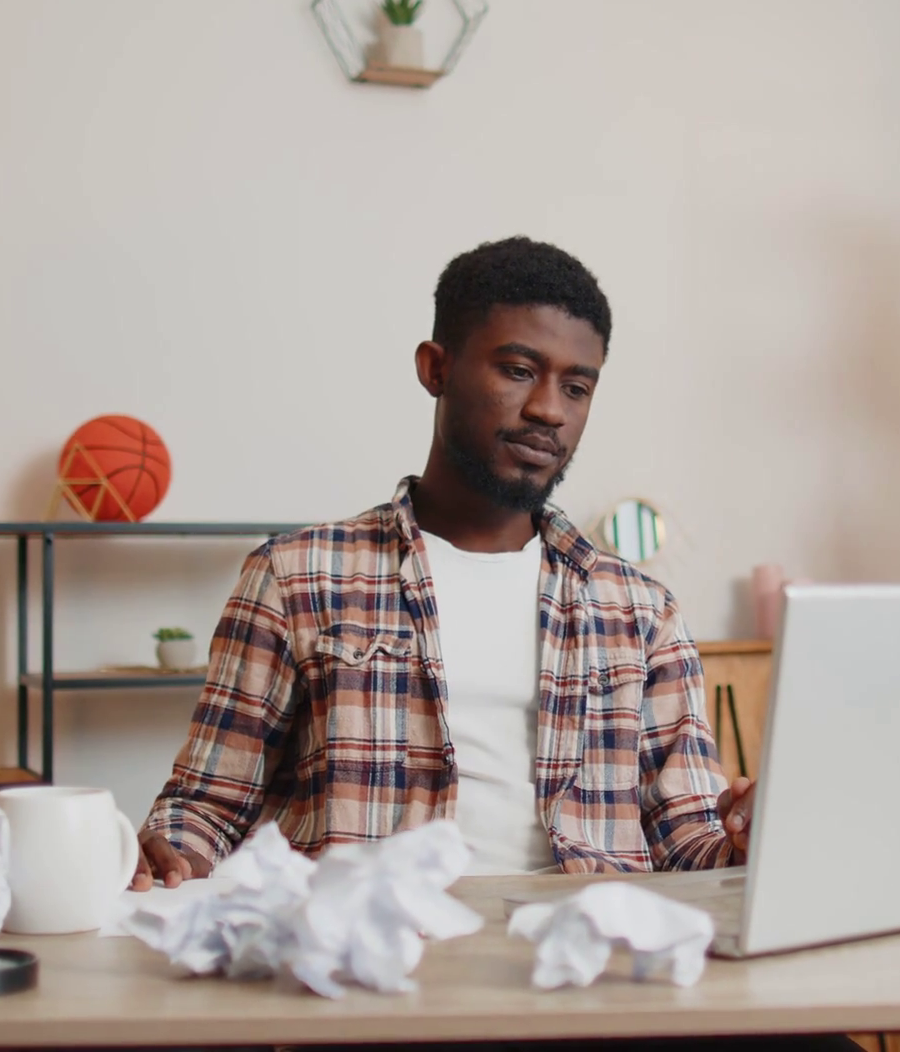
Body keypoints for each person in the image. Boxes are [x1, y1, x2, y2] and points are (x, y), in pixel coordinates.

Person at [131, 236, 757, 887]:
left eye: (576, 388)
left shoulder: (642, 612)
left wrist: (749, 836)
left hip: (586, 940)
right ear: (437, 369)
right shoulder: (297, 577)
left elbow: (690, 841)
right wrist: (167, 854)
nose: (549, 409)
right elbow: (205, 809)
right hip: (373, 936)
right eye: (518, 370)